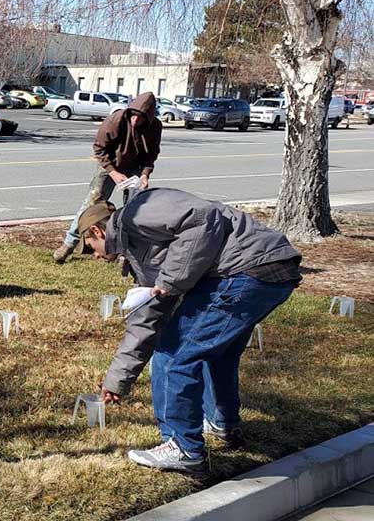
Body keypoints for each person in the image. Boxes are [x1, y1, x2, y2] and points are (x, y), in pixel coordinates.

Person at [78, 188, 301, 474]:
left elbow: (203, 217)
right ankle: (222, 423)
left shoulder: (138, 212)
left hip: (247, 269)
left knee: (173, 356)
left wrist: (172, 279)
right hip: (270, 270)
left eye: (89, 248)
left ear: (97, 230)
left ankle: (182, 446)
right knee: (215, 353)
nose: (93, 257)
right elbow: (148, 317)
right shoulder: (138, 250)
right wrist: (117, 380)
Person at [55, 92, 162, 264]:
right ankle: (69, 244)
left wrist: (144, 175)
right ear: (130, 112)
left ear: (148, 118)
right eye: (134, 115)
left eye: (140, 117)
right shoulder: (116, 120)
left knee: (133, 209)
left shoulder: (155, 127)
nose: (135, 120)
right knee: (92, 201)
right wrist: (112, 172)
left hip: (134, 168)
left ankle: (125, 252)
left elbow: (151, 154)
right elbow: (99, 148)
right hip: (109, 164)